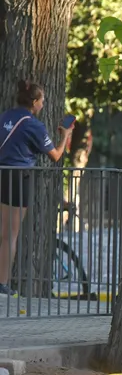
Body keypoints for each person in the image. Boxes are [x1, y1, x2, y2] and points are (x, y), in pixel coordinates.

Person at [1, 80, 74, 296]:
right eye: (42, 101)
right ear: (34, 102)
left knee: (2, 233)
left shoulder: (5, 116)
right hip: (19, 179)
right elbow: (56, 155)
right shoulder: (34, 125)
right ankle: (2, 284)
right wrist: (66, 135)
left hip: (2, 175)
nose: (43, 105)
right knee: (10, 235)